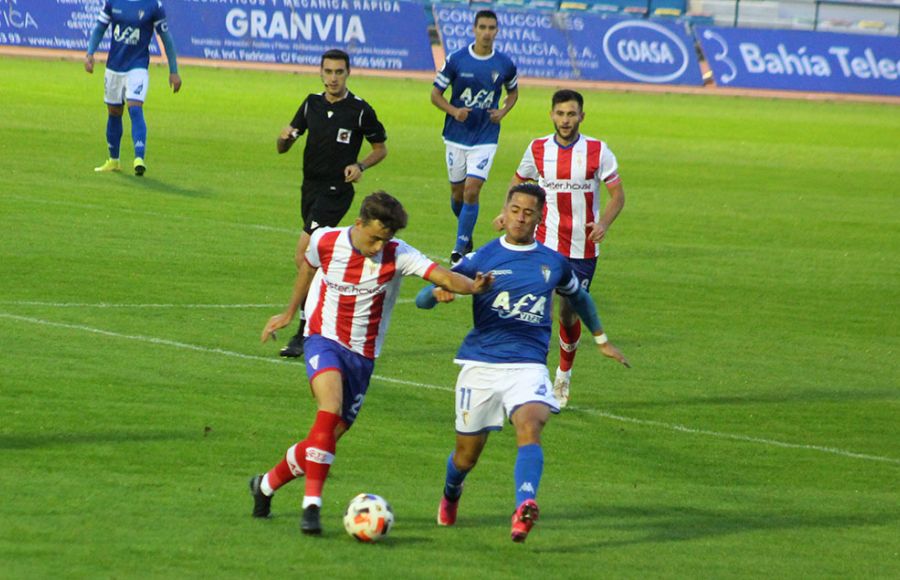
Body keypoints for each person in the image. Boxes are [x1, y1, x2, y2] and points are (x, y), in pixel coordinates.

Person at [250, 191, 493, 535]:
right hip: (323, 339)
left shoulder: (399, 254)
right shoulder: (327, 240)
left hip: (362, 357)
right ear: (359, 223)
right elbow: (308, 265)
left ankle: (264, 486)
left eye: (386, 239)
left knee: (324, 442)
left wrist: (473, 287)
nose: (379, 246)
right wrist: (291, 312)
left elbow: (443, 276)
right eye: (375, 237)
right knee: (329, 406)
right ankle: (312, 507)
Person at [416, 183, 629, 543]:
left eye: (528, 213)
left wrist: (601, 340)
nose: (519, 218)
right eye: (514, 210)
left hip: (528, 365)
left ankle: (524, 505)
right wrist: (438, 293)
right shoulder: (481, 258)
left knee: (530, 424)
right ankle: (452, 492)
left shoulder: (553, 262)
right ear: (505, 210)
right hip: (481, 364)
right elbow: (422, 298)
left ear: (539, 218)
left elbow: (581, 298)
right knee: (466, 457)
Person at [496, 89, 626, 408]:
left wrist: (604, 224)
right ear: (551, 115)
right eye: (560, 114)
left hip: (582, 250)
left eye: (571, 114)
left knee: (568, 315)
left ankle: (563, 374)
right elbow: (518, 182)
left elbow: (617, 195)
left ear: (582, 116)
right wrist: (507, 211)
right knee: (540, 307)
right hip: (544, 244)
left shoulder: (597, 150)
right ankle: (534, 377)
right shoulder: (538, 148)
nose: (565, 120)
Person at [277, 49, 388, 359]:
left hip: (336, 191)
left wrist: (361, 166)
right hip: (309, 188)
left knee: (304, 252)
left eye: (339, 72)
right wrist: (284, 138)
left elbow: (380, 148)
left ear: (348, 73)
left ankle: (304, 330)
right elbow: (283, 146)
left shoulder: (360, 110)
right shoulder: (311, 104)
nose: (333, 78)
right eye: (328, 72)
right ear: (321, 73)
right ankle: (329, 302)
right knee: (311, 261)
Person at [431, 9, 518, 265]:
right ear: (474, 29)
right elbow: (435, 94)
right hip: (456, 136)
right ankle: (465, 233)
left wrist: (502, 111)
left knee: (472, 190)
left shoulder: (504, 63)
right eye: (483, 27)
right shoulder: (457, 59)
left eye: (492, 28)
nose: (487, 33)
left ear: (497, 31)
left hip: (485, 136)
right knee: (458, 195)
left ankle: (459, 249)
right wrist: (453, 110)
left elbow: (513, 93)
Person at [85, 0, 182, 176]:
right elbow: (100, 28)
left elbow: (166, 38)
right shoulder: (113, 2)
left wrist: (173, 71)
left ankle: (139, 158)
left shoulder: (153, 5)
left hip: (137, 66)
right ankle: (114, 160)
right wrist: (90, 53)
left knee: (135, 107)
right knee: (114, 112)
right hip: (114, 66)